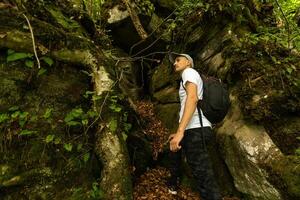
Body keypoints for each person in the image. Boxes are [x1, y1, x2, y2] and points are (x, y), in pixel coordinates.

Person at [167, 52, 221, 200]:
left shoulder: (189, 72)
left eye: (178, 60)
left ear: (188, 62)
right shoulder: (190, 76)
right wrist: (178, 133)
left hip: (196, 130)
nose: (175, 63)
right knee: (174, 148)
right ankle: (173, 184)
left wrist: (180, 132)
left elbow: (192, 98)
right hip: (195, 129)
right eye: (174, 61)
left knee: (204, 176)